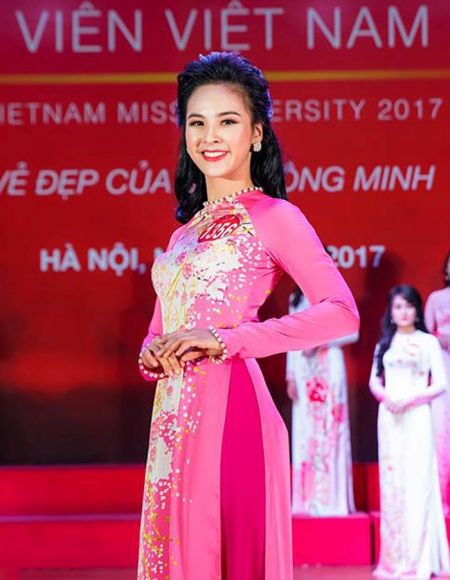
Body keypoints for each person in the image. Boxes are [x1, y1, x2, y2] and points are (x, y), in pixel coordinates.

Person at [137, 51, 359, 580]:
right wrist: (152, 353)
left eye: (228, 121)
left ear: (257, 134)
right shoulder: (182, 235)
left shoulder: (277, 217)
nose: (210, 137)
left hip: (233, 413)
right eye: (197, 123)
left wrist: (227, 339)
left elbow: (341, 314)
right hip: (172, 423)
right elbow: (159, 330)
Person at [369, 284, 450, 579]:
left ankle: (418, 558)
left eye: (409, 306)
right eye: (398, 307)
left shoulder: (428, 342)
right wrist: (386, 397)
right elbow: (374, 381)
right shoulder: (385, 344)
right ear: (391, 312)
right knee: (393, 484)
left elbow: (440, 383)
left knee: (418, 482)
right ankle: (394, 558)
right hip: (390, 418)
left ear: (417, 310)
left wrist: (409, 400)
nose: (403, 312)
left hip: (417, 417)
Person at [286, 286, 357, 516]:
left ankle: (331, 501)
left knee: (330, 428)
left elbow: (353, 331)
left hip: (329, 367)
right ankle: (307, 500)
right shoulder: (296, 297)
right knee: (306, 432)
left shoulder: (336, 291)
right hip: (303, 369)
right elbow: (290, 335)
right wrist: (290, 374)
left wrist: (319, 342)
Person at [425, 251, 450, 514]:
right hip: (442, 362)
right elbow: (423, 334)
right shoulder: (436, 298)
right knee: (442, 430)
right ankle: (441, 498)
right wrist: (438, 339)